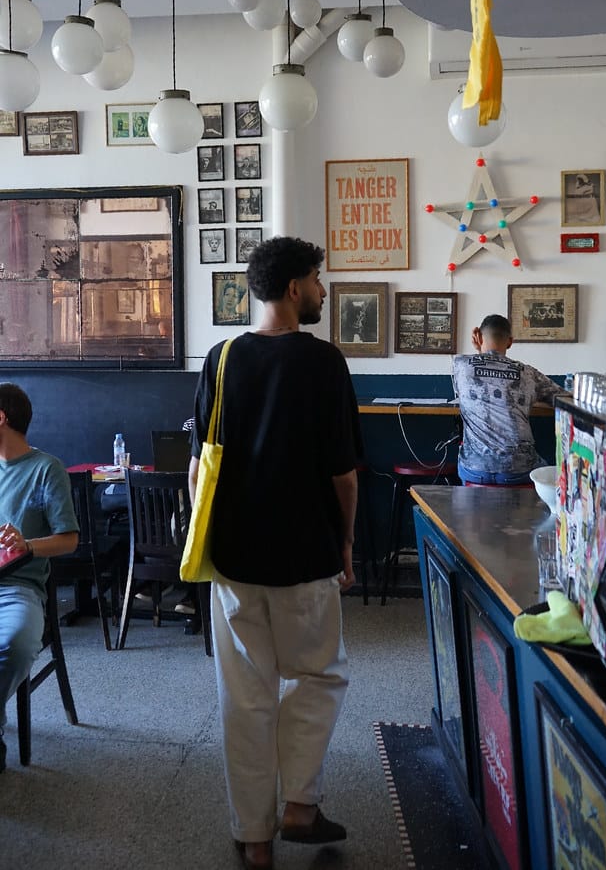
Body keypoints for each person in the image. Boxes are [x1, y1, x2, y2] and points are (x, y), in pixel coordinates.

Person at [190, 237, 361, 870]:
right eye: (317, 280)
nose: (321, 291)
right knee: (320, 677)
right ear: (294, 288)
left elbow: (199, 467)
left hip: (234, 556)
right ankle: (300, 805)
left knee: (245, 697)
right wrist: (346, 544)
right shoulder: (323, 363)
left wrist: (205, 546)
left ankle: (255, 841)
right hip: (306, 552)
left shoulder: (222, 357)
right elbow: (344, 475)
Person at [0, 383, 79, 773]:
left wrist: (27, 544)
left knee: (15, 644)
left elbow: (69, 540)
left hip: (20, 588)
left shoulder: (47, 469)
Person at [452, 314, 562, 485]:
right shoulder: (528, 373)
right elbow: (561, 398)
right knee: (546, 472)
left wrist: (479, 350)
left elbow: (480, 368)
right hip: (518, 470)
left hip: (475, 469)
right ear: (510, 342)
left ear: (479, 337)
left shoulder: (460, 364)